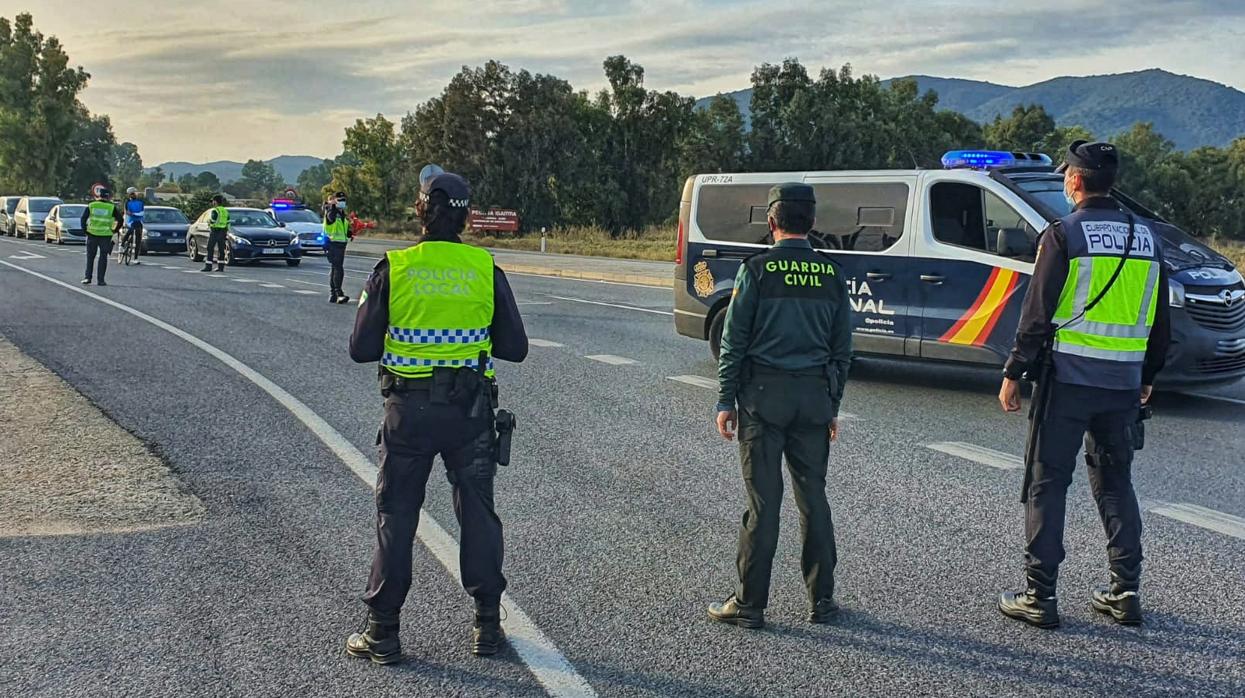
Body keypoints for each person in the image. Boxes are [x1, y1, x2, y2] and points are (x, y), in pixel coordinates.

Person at [345, 170, 529, 664]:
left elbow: (360, 348)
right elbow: (516, 347)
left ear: (422, 210)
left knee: (397, 515)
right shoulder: (484, 268)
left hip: (408, 412)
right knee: (478, 513)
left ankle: (382, 632)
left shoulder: (396, 267)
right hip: (469, 414)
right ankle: (487, 626)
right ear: (467, 216)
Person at [997, 140, 1171, 629]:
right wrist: (1147, 378)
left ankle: (1040, 595)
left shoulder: (1063, 234)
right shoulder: (1148, 238)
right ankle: (1125, 592)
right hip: (1122, 386)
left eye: (1066, 177)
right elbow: (1160, 321)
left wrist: (1014, 372)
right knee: (1116, 484)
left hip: (1068, 382)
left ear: (1074, 181)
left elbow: (1037, 314)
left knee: (1047, 483)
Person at [709, 183, 852, 629]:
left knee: (763, 503)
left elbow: (734, 340)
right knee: (814, 500)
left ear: (771, 223)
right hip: (812, 399)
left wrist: (725, 398)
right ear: (811, 224)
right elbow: (842, 350)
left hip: (763, 401)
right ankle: (822, 601)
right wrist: (831, 405)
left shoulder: (757, 270)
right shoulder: (831, 275)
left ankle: (750, 605)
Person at [80, 186, 122, 286]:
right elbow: (120, 220)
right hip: (106, 235)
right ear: (108, 197)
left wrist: (85, 230)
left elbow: (83, 218)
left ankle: (87, 278)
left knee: (90, 257)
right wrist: (114, 230)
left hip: (92, 234)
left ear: (99, 196)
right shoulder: (111, 207)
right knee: (103, 257)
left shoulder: (91, 205)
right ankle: (101, 280)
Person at [322, 191, 351, 303]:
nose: (342, 202)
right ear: (334, 200)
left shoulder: (342, 213)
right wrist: (332, 205)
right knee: (338, 268)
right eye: (339, 200)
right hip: (332, 243)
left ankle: (333, 294)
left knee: (335, 268)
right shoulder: (331, 211)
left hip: (340, 243)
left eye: (343, 200)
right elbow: (331, 219)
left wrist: (350, 232)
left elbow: (344, 230)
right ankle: (339, 293)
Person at [201, 194, 229, 272]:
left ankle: (208, 266)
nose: (212, 203)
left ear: (215, 202)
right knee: (221, 249)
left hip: (215, 231)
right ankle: (221, 267)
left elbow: (213, 221)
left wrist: (209, 223)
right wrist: (226, 231)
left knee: (210, 248)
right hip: (223, 231)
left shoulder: (215, 210)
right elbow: (228, 222)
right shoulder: (225, 211)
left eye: (213, 201)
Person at [123, 186, 145, 263]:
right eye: (132, 194)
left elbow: (142, 212)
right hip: (130, 221)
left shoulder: (140, 202)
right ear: (129, 195)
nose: (133, 195)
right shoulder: (127, 202)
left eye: (134, 193)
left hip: (138, 221)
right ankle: (123, 243)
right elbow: (127, 212)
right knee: (130, 230)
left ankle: (136, 258)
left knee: (138, 238)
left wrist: (134, 214)